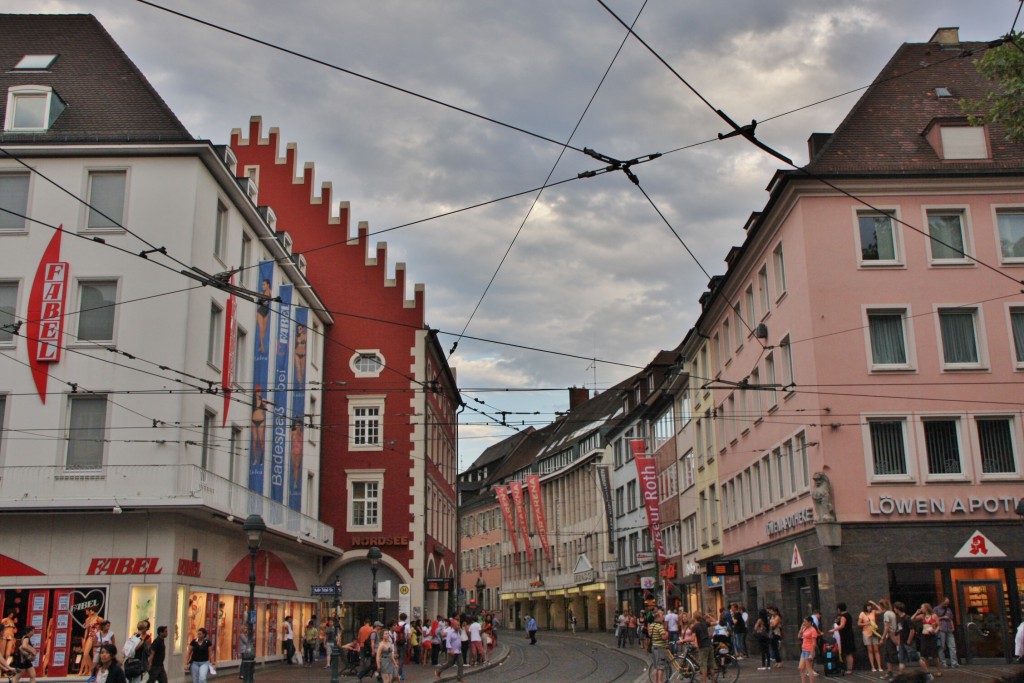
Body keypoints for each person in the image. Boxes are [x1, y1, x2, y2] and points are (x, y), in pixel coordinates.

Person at [913, 603, 941, 676]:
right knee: (924, 654)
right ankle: (927, 671)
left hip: (931, 636)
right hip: (924, 636)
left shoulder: (934, 616)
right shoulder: (922, 616)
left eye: (922, 608)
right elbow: (912, 619)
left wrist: (935, 631)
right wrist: (917, 612)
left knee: (934, 654)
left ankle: (938, 670)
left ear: (926, 608)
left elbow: (939, 625)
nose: (921, 609)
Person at [434, 617, 465, 683]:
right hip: (452, 651)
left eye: (459, 625)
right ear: (453, 625)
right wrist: (450, 649)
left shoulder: (459, 631)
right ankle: (438, 671)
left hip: (458, 651)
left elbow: (459, 639)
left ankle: (460, 678)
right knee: (449, 664)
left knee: (461, 663)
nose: (459, 626)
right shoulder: (450, 632)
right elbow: (448, 642)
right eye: (458, 625)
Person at [831, 603, 856, 675]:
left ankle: (849, 669)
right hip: (849, 635)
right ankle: (848, 668)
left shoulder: (843, 616)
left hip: (846, 636)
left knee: (848, 653)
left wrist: (833, 630)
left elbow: (842, 626)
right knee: (848, 652)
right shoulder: (848, 615)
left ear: (839, 609)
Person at [859, 602, 884, 673]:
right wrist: (866, 623)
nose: (869, 608)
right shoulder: (862, 613)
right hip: (866, 633)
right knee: (870, 650)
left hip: (874, 633)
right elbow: (859, 623)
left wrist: (874, 604)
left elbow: (881, 611)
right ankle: (873, 666)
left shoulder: (873, 612)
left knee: (876, 649)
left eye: (870, 606)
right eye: (868, 606)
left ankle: (879, 666)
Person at [934, 598, 958, 669]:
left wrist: (953, 627)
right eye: (945, 603)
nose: (946, 605)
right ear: (942, 602)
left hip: (949, 629)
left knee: (952, 646)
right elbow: (934, 618)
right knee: (942, 647)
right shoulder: (936, 609)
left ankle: (954, 663)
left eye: (947, 603)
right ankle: (943, 663)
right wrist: (942, 617)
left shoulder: (948, 609)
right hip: (941, 629)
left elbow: (950, 619)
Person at [880, 598, 900, 680]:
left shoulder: (886, 614)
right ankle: (890, 672)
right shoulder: (892, 613)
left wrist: (882, 637)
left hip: (890, 636)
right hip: (893, 634)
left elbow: (887, 627)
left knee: (890, 654)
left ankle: (895, 673)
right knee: (888, 654)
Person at [691, 613, 714, 683]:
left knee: (703, 666)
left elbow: (692, 638)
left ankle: (704, 682)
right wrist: (710, 616)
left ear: (694, 619)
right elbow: (715, 622)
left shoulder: (695, 627)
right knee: (711, 665)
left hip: (702, 647)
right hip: (709, 645)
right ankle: (713, 681)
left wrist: (683, 640)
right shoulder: (704, 624)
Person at [799, 616, 821, 683]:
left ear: (809, 622)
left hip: (809, 650)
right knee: (801, 667)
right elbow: (799, 636)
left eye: (805, 621)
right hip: (804, 649)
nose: (804, 623)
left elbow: (814, 643)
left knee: (809, 669)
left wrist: (811, 654)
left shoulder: (813, 630)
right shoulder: (805, 628)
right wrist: (801, 628)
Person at [649, 612, 669, 683]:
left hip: (654, 646)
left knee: (655, 666)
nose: (663, 617)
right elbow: (664, 638)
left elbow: (650, 634)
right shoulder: (660, 626)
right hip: (660, 648)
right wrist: (667, 634)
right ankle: (660, 681)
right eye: (662, 616)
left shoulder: (652, 625)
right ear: (658, 618)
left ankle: (656, 681)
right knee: (661, 666)